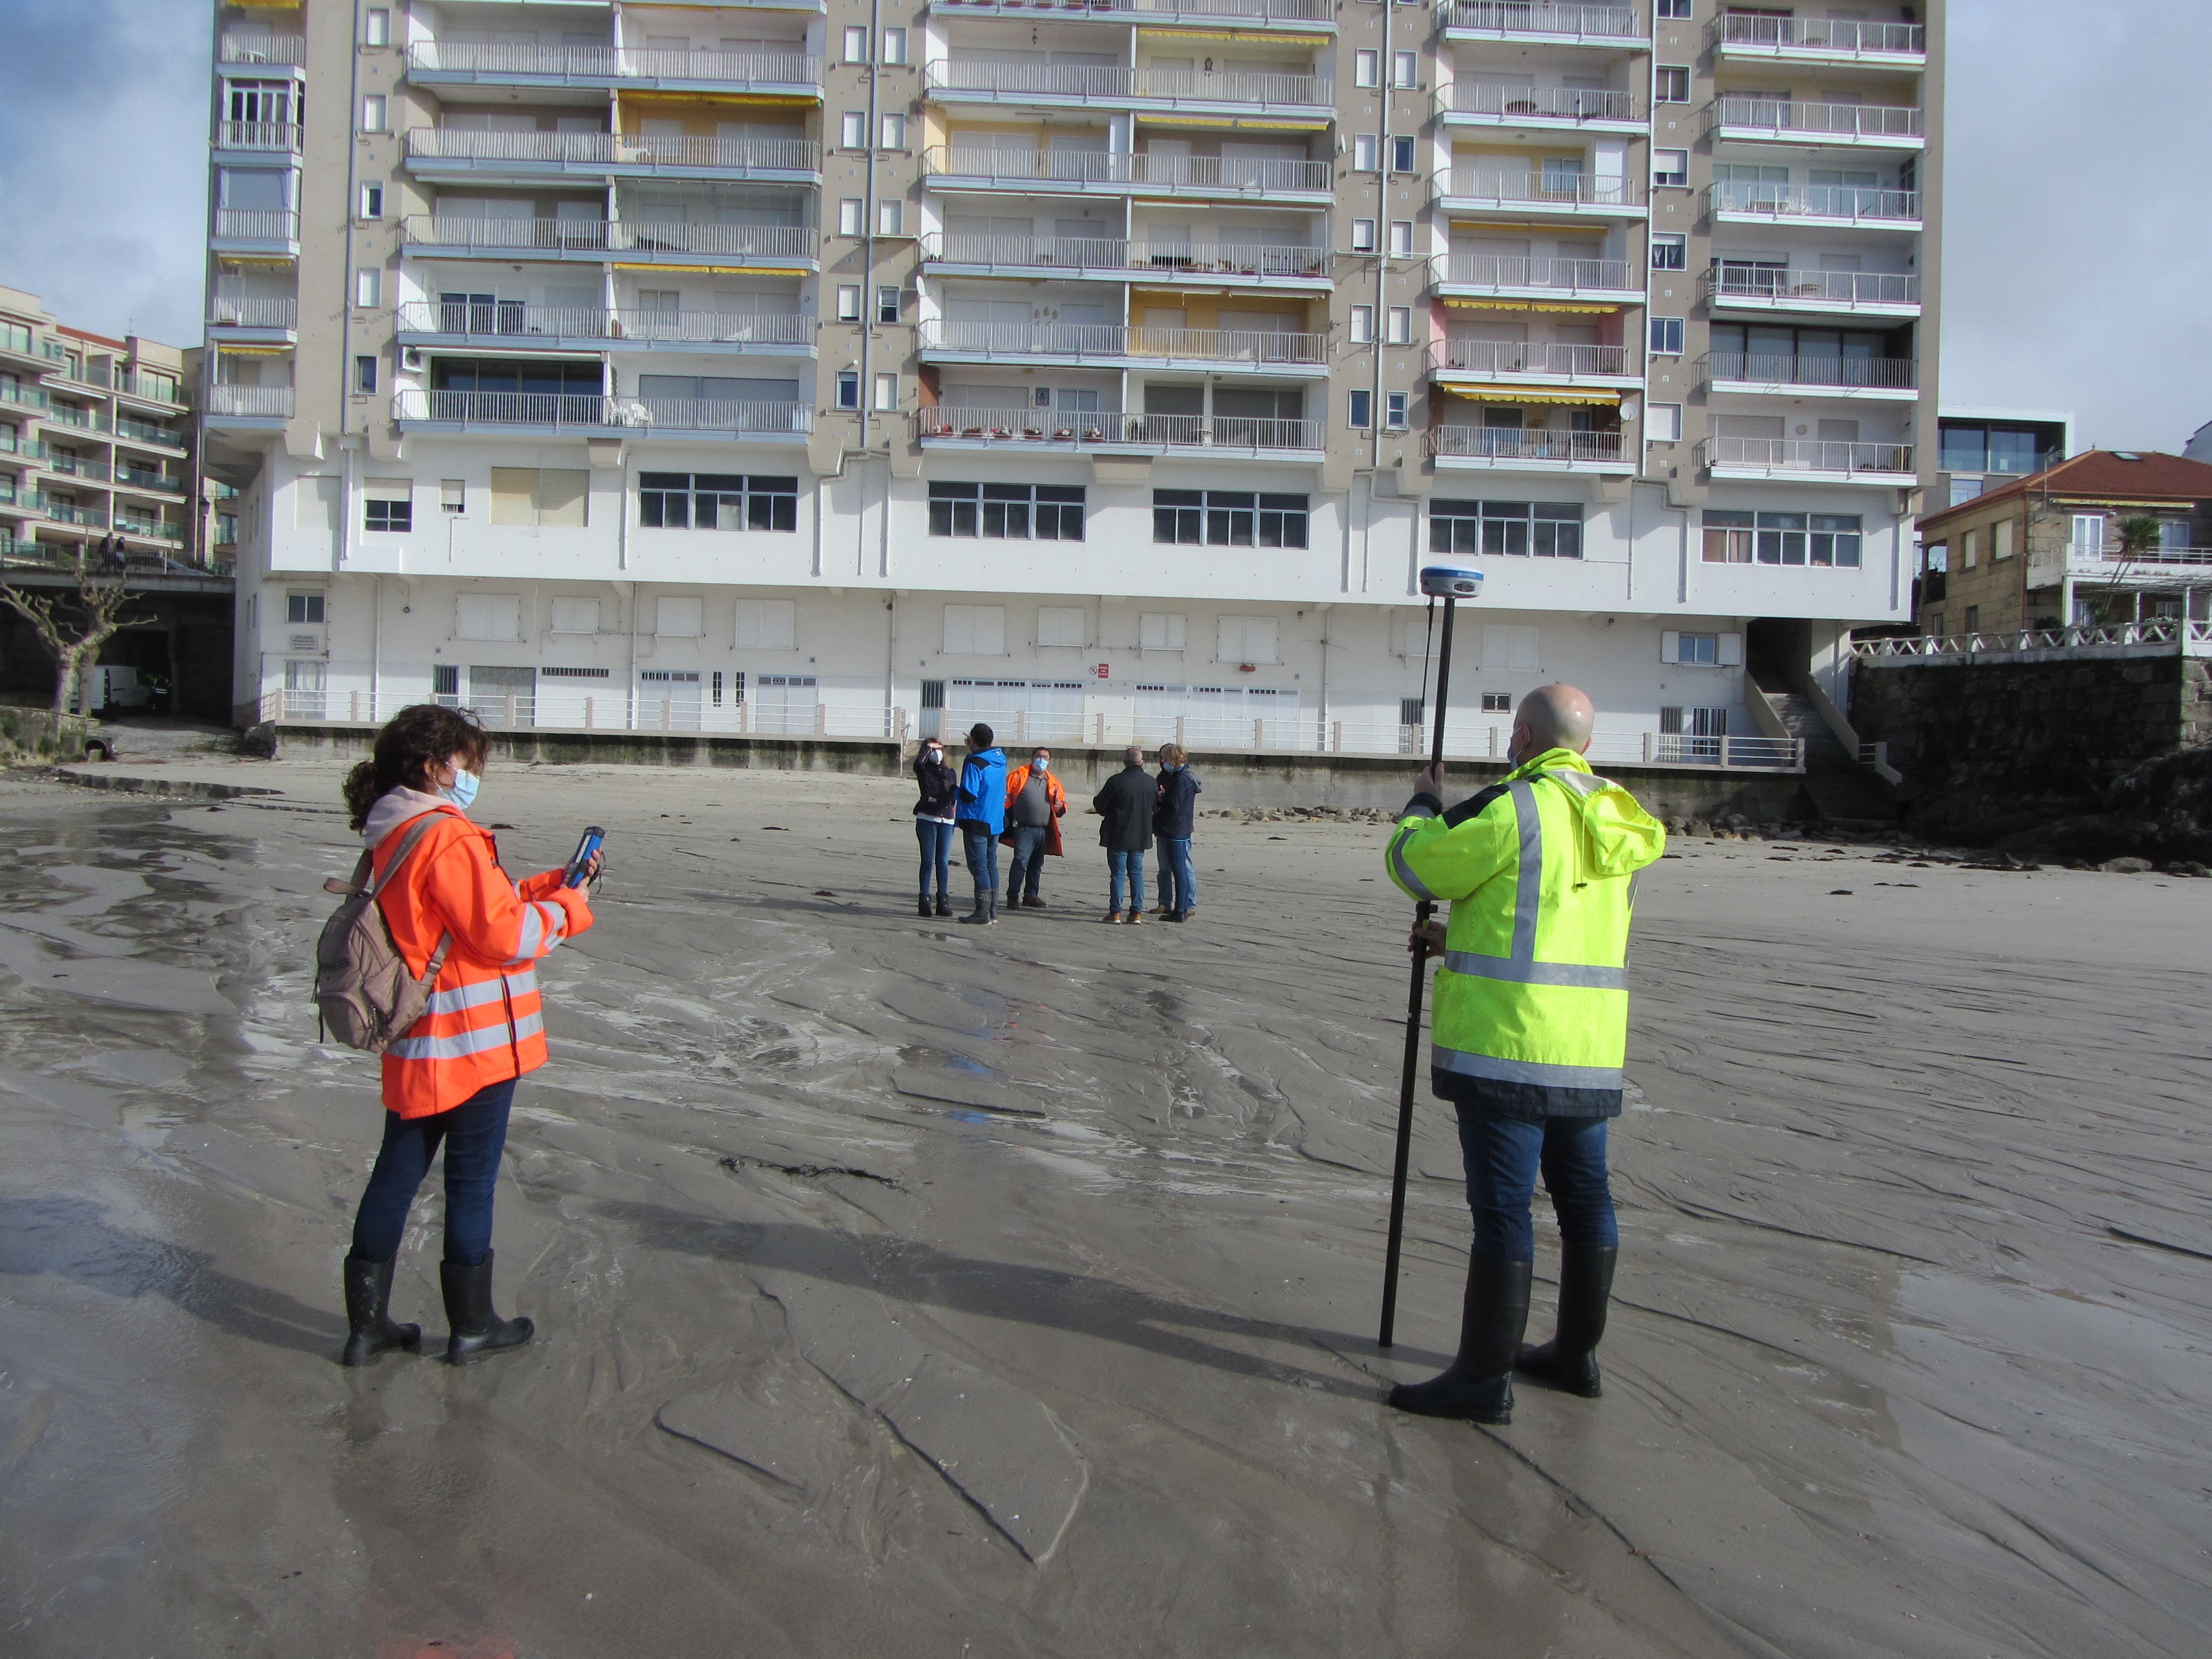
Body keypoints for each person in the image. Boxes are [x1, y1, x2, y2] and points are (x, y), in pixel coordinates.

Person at [1381, 684, 1665, 1423]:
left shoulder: (1517, 808)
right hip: (1589, 1046)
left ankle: (1482, 1381)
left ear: (1528, 736)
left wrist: (1420, 805)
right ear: (1588, 746)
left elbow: (1416, 866)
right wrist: (1456, 941)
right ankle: (1576, 1356)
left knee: (1504, 1211)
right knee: (1585, 1202)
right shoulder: (1618, 819)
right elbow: (1554, 925)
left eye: (1515, 732)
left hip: (1510, 1043)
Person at [337, 704, 600, 1368]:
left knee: (394, 1176)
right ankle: (473, 1324)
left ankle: (366, 1329)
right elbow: (504, 935)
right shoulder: (446, 835)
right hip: (473, 1039)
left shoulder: (392, 831)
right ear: (435, 766)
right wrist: (569, 909)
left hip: (415, 1037)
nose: (471, 774)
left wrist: (546, 886)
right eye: (466, 762)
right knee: (472, 1183)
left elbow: (468, 910)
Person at [1093, 745, 1156, 924]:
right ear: (1142, 762)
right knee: (1136, 874)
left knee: (1119, 874)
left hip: (1118, 833)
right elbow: (1155, 807)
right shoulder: (1151, 782)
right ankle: (1136, 912)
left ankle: (1116, 912)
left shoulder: (1116, 781)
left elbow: (1100, 804)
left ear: (1125, 762)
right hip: (1141, 835)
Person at [1000, 745, 1068, 910]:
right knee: (1020, 862)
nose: (1042, 760)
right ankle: (1013, 896)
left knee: (1036, 865)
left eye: (1045, 757)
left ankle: (1031, 895)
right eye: (1039, 756)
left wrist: (1060, 807)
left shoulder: (1053, 782)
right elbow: (1004, 797)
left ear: (1049, 761)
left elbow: (1062, 805)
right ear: (1032, 758)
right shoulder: (1018, 776)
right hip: (1023, 829)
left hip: (1044, 830)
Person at [954, 722, 1008, 925]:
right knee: (990, 865)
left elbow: (969, 794)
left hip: (977, 820)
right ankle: (992, 911)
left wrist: (952, 789)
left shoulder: (975, 762)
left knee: (979, 867)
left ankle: (983, 912)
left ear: (973, 740)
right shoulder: (1000, 759)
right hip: (994, 820)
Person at [1152, 744, 1202, 922]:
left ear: (1173, 759)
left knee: (1181, 869)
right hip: (1174, 829)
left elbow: (1174, 807)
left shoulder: (1181, 779)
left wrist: (1162, 799)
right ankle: (1174, 906)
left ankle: (1183, 908)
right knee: (1173, 868)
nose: (1162, 762)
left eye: (1164, 758)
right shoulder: (1175, 777)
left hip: (1176, 830)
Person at [912, 736, 958, 916]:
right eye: (932, 750)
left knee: (943, 862)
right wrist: (927, 749)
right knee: (928, 861)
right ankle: (924, 899)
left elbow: (952, 793)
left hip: (946, 820)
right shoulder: (924, 771)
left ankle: (943, 900)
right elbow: (919, 766)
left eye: (938, 749)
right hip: (927, 818)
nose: (936, 753)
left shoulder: (949, 772)